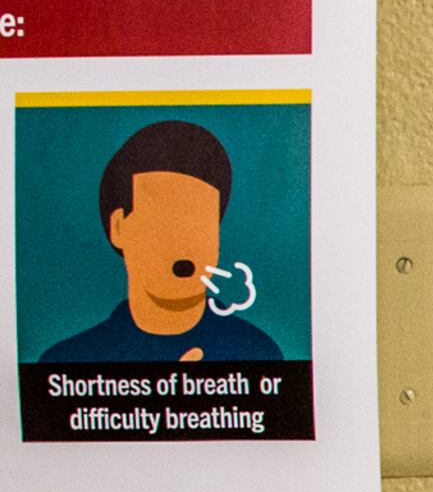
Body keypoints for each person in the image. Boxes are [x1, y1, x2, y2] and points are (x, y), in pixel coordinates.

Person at [40, 119, 283, 365]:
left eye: (198, 223)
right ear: (118, 227)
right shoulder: (68, 362)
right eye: (161, 221)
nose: (181, 244)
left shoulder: (258, 354)